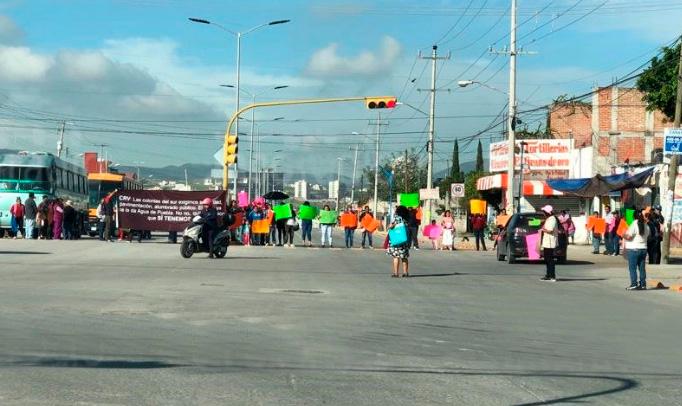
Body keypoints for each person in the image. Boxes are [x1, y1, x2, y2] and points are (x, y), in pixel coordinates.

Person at [624, 210, 649, 290]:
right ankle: (643, 284)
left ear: (633, 216)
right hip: (643, 249)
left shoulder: (634, 224)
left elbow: (629, 237)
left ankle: (634, 284)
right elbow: (648, 235)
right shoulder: (646, 225)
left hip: (634, 249)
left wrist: (623, 234)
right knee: (642, 268)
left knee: (632, 268)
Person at [387, 205, 411, 278]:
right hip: (404, 240)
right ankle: (405, 273)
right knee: (404, 257)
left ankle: (396, 273)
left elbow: (391, 226)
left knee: (396, 257)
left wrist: (389, 226)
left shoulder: (397, 218)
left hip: (396, 240)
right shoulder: (406, 219)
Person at [539, 205, 559, 282]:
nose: (543, 213)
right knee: (547, 259)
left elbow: (550, 230)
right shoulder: (548, 219)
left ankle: (552, 276)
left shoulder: (552, 219)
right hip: (547, 242)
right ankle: (548, 275)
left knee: (550, 259)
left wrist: (543, 229)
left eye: (544, 212)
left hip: (550, 242)